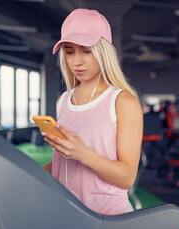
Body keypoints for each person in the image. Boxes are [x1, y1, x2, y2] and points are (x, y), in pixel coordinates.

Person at [41, 8, 143, 215]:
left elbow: (127, 177)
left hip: (110, 219)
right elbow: (64, 162)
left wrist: (83, 153)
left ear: (103, 51)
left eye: (86, 50)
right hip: (69, 215)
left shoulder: (123, 102)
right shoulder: (63, 101)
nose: (76, 61)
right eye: (69, 51)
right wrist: (28, 172)